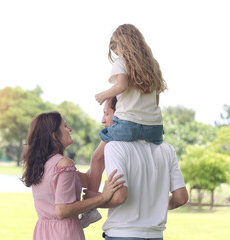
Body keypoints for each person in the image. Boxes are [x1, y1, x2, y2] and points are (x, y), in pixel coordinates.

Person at [82, 23, 168, 227]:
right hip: (154, 127)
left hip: (128, 124)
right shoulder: (153, 64)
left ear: (122, 45)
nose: (116, 53)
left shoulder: (122, 62)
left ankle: (90, 208)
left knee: (97, 158)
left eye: (116, 48)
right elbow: (156, 101)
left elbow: (121, 85)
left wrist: (103, 95)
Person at [84, 98, 189, 240]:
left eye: (107, 114)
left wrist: (93, 201)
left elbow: (120, 197)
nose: (103, 120)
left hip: (122, 233)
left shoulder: (115, 147)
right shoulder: (167, 149)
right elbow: (181, 198)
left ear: (121, 114)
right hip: (155, 235)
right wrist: (157, 206)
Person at [21, 111, 125, 240]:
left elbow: (87, 180)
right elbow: (62, 210)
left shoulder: (43, 164)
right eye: (65, 126)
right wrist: (103, 197)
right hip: (64, 233)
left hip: (43, 232)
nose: (69, 129)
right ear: (54, 136)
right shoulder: (64, 164)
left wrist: (102, 147)